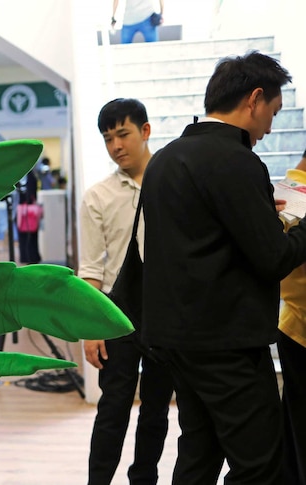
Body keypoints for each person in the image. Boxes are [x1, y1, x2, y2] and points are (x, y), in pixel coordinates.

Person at [142, 51, 304, 484]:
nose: (271, 126)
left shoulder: (165, 159)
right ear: (254, 98)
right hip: (226, 342)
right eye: (273, 111)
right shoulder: (236, 160)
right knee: (259, 465)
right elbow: (274, 258)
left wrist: (256, 211)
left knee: (200, 452)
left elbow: (197, 235)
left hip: (176, 339)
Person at [80, 98, 173, 485]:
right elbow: (90, 268)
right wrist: (90, 326)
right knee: (113, 407)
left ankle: (144, 479)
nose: (116, 145)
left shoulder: (174, 184)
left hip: (166, 312)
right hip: (117, 314)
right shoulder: (97, 196)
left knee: (156, 409)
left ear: (145, 131)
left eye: (123, 133)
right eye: (107, 138)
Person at [279, 148, 306, 484]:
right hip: (300, 329)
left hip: (293, 327)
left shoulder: (284, 192)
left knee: (296, 425)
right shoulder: (290, 198)